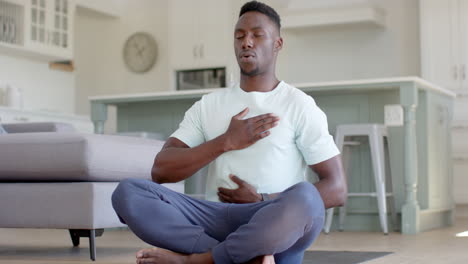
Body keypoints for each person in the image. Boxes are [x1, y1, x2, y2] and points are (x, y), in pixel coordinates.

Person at [112, 1, 347, 263]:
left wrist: (263, 199)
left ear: (277, 44)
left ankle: (200, 260)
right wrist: (226, 141)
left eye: (257, 35)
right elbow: (161, 170)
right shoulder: (209, 105)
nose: (247, 42)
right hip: (216, 216)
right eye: (240, 36)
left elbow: (337, 189)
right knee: (128, 192)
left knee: (305, 197)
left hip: (273, 222)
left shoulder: (299, 104)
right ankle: (245, 257)